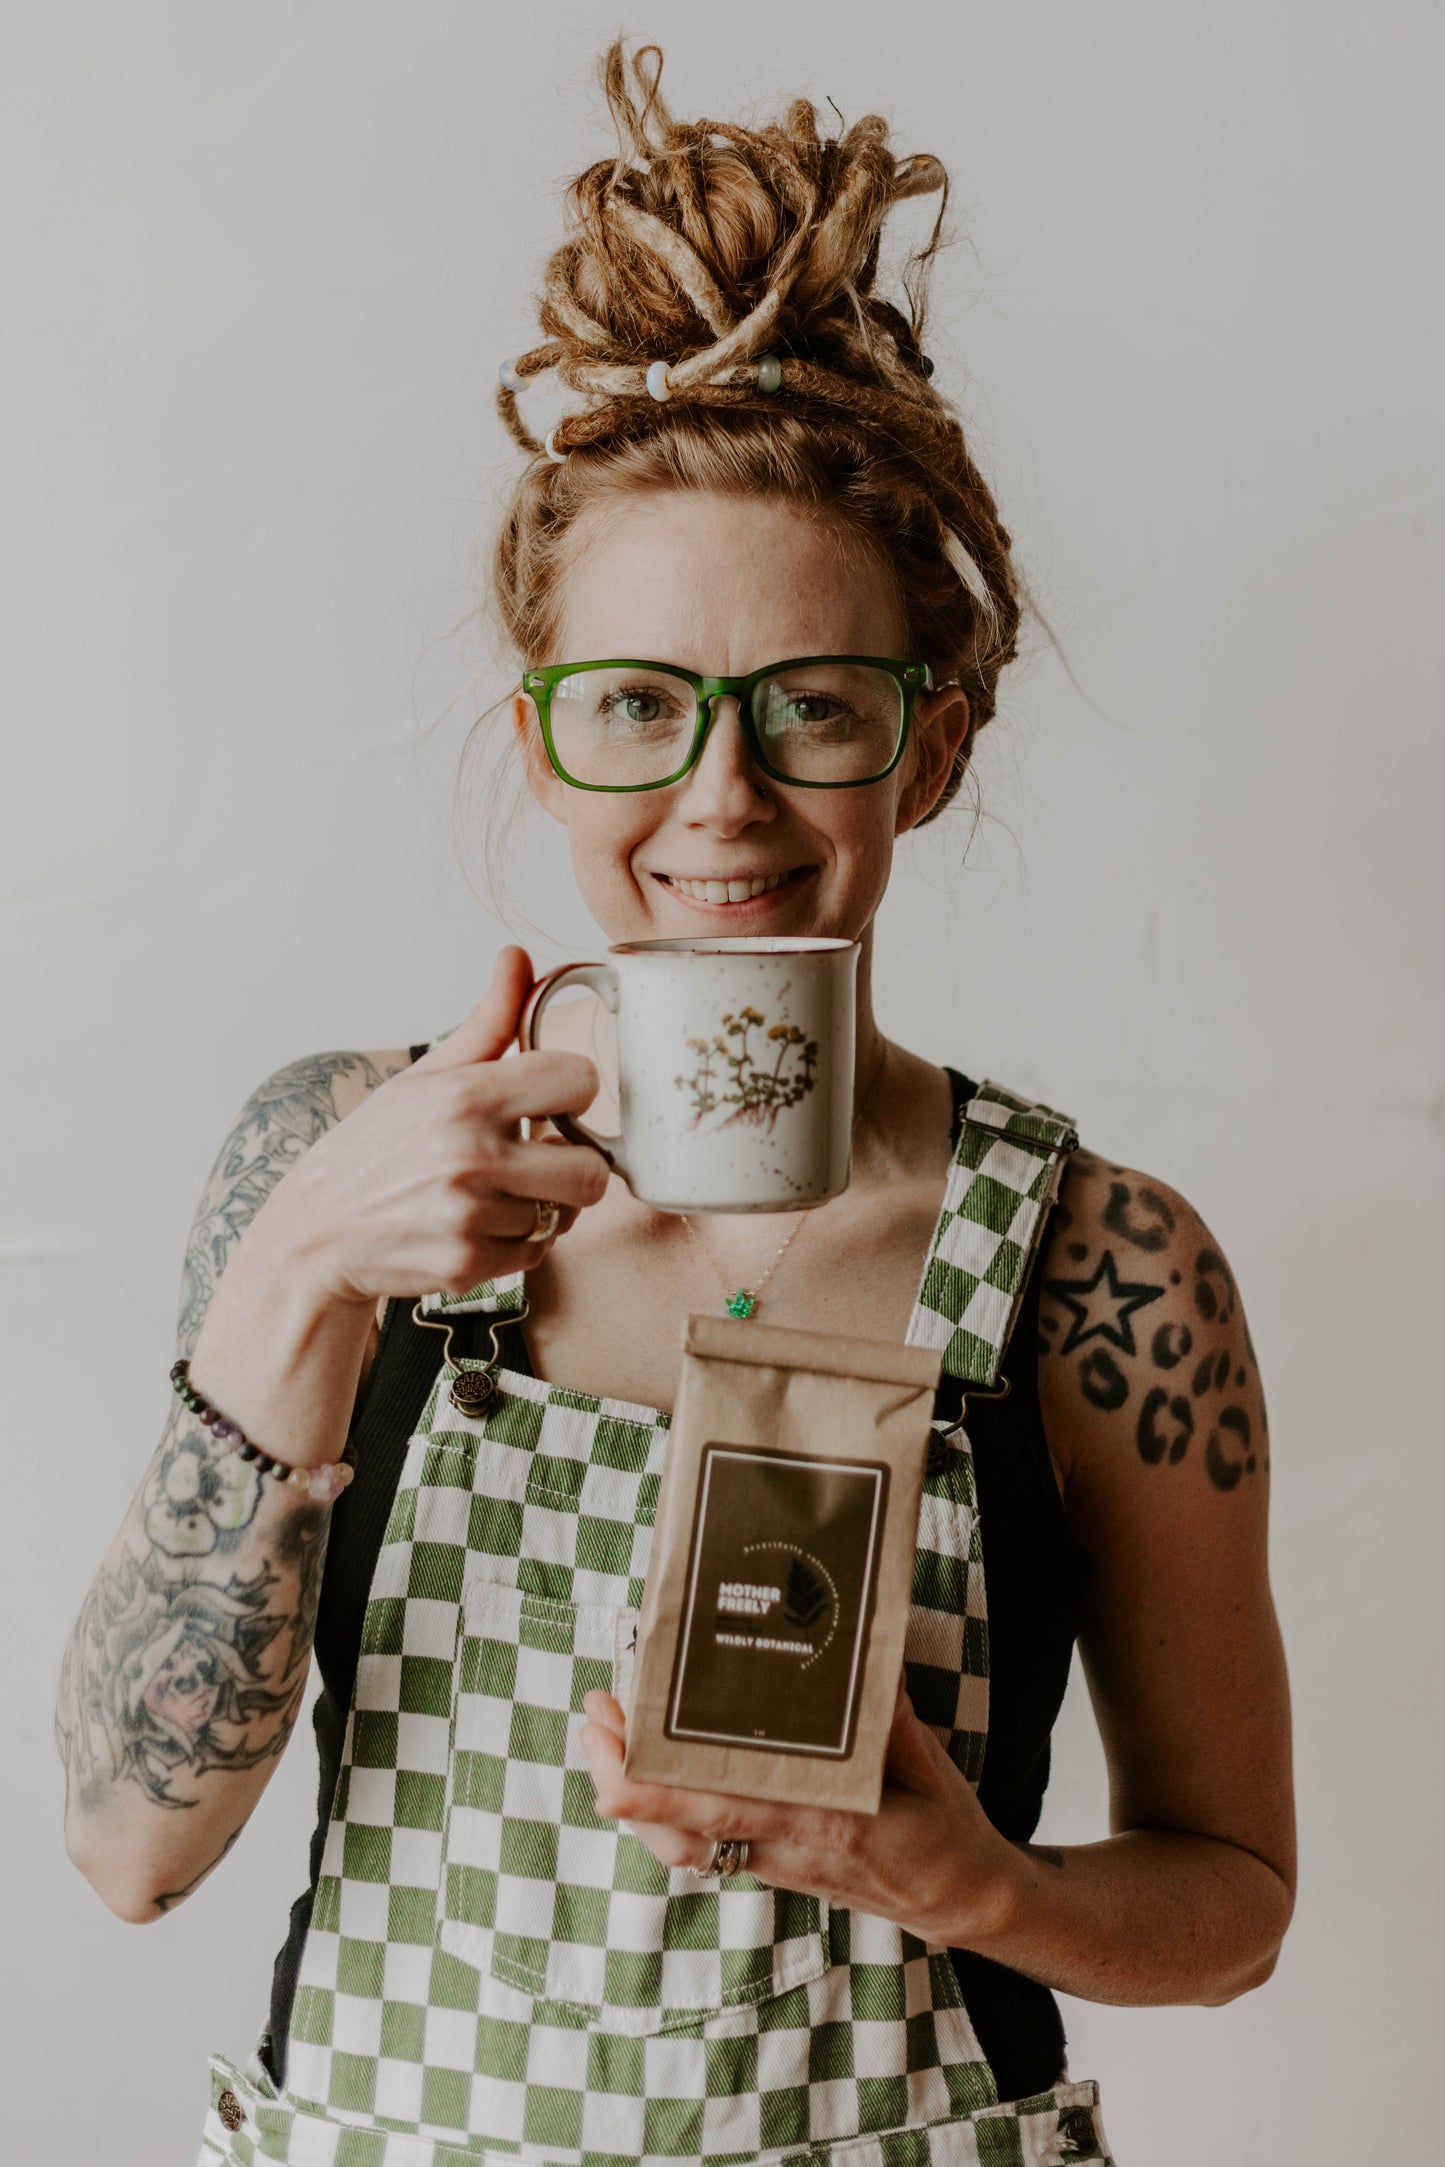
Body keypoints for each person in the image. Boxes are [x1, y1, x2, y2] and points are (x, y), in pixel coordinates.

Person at [55, 44, 1294, 2167]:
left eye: (812, 707)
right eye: (636, 707)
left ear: (929, 749)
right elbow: (125, 1848)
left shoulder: (1105, 1273)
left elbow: (1232, 1899)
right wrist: (300, 1270)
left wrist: (963, 1882)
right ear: (544, 740)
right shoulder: (330, 1168)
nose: (720, 802)